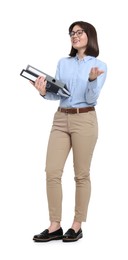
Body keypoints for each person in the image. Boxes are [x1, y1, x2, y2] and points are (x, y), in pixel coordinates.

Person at [31, 21, 107, 242]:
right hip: (61, 119)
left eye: (79, 32)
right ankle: (55, 226)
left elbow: (92, 98)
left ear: (89, 35)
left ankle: (76, 225)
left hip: (85, 119)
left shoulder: (99, 64)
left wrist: (92, 81)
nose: (74, 36)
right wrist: (44, 91)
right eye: (71, 33)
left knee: (81, 174)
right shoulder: (63, 63)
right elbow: (60, 94)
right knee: (52, 171)